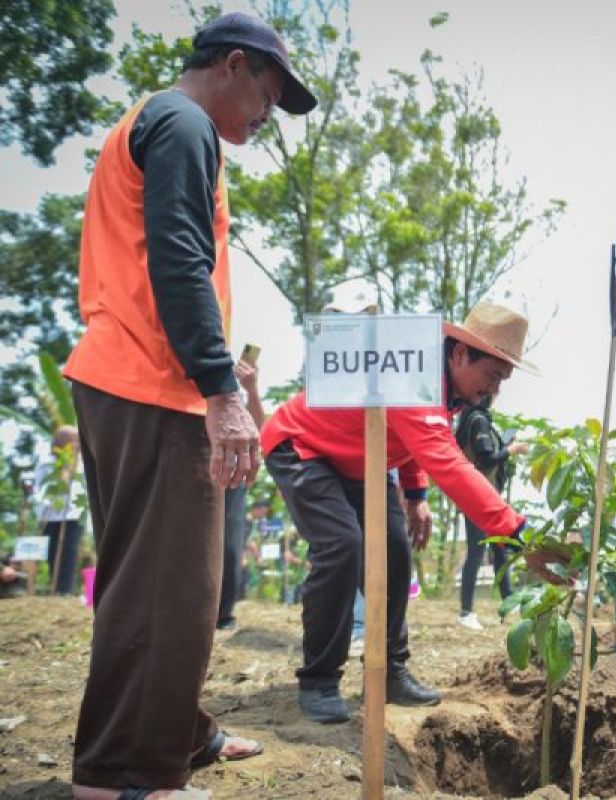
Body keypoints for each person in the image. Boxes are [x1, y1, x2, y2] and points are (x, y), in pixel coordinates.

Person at [61, 12, 315, 798]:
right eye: (269, 94)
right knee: (174, 589)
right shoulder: (182, 122)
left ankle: (180, 731)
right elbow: (177, 253)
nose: (268, 116)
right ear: (234, 66)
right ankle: (127, 775)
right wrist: (219, 387)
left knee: (154, 579)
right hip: (153, 383)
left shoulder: (154, 122)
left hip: (122, 377)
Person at [261, 301, 536, 724]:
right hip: (303, 447)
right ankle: (319, 679)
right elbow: (449, 462)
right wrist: (518, 532)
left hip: (361, 462)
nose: (495, 389)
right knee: (342, 545)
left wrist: (415, 493)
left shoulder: (442, 389)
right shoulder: (415, 374)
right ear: (461, 354)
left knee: (394, 550)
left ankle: (389, 671)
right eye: (493, 375)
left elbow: (404, 437)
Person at [456, 396, 524, 630]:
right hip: (479, 496)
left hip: (483, 494)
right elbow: (486, 459)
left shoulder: (470, 420)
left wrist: (503, 446)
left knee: (500, 548)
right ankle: (466, 612)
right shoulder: (479, 421)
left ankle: (509, 600)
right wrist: (510, 450)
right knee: (477, 552)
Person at [217, 357, 266, 630]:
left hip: (233, 481)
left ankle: (223, 614)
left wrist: (252, 388)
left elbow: (257, 429)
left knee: (230, 548)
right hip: (198, 473)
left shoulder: (239, 399)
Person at [33, 426, 87, 595]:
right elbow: (40, 489)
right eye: (73, 440)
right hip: (49, 516)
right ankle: (55, 588)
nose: (77, 444)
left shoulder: (81, 464)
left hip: (72, 516)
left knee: (69, 555)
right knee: (52, 554)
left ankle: (65, 591)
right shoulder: (46, 463)